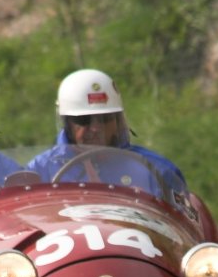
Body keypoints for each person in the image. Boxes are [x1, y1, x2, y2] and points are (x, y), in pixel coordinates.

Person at [26, 68, 187, 193]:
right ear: (67, 123)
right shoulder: (39, 171)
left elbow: (181, 227)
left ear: (118, 120)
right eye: (84, 120)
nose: (96, 128)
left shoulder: (158, 171)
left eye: (105, 118)